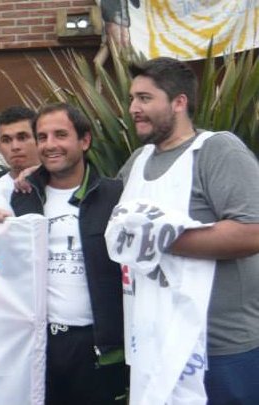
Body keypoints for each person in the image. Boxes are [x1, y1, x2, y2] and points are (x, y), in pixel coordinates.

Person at [109, 57, 259, 404]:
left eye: (145, 98)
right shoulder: (137, 162)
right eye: (132, 99)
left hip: (222, 350)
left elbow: (252, 231)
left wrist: (158, 239)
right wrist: (31, 178)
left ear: (179, 102)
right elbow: (108, 217)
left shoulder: (217, 151)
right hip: (157, 344)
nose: (133, 109)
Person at [10, 103, 126, 404]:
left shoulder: (116, 195)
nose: (50, 145)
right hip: (40, 345)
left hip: (98, 348)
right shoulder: (22, 197)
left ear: (84, 140)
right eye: (42, 137)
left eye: (60, 135)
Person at [0, 106, 40, 213]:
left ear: (39, 138)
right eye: (6, 140)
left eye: (22, 138)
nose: (15, 146)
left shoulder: (64, 181)